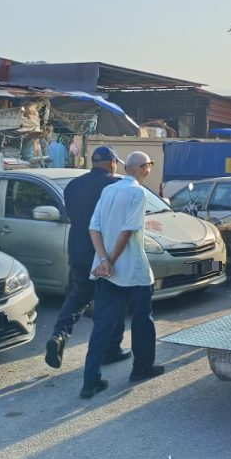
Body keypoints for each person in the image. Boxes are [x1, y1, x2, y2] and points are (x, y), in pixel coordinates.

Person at [80, 151, 164, 398]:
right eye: (149, 166)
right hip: (133, 271)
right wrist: (112, 260)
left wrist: (104, 261)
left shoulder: (109, 190)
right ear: (142, 168)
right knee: (142, 321)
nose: (149, 170)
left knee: (101, 326)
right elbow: (128, 231)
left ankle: (90, 380)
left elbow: (93, 228)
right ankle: (142, 367)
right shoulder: (137, 193)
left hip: (107, 272)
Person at [44, 146, 128, 370]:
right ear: (112, 162)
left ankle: (58, 336)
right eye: (116, 162)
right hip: (104, 252)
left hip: (78, 250)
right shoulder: (115, 185)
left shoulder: (73, 186)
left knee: (77, 298)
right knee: (112, 301)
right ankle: (110, 349)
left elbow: (74, 216)